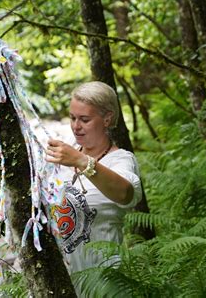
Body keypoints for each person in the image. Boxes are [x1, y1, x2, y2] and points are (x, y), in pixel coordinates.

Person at [45, 81, 142, 274]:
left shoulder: (120, 159)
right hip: (61, 281)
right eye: (72, 118)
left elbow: (125, 194)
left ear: (107, 119)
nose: (76, 126)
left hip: (104, 281)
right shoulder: (62, 157)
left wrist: (82, 161)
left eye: (84, 119)